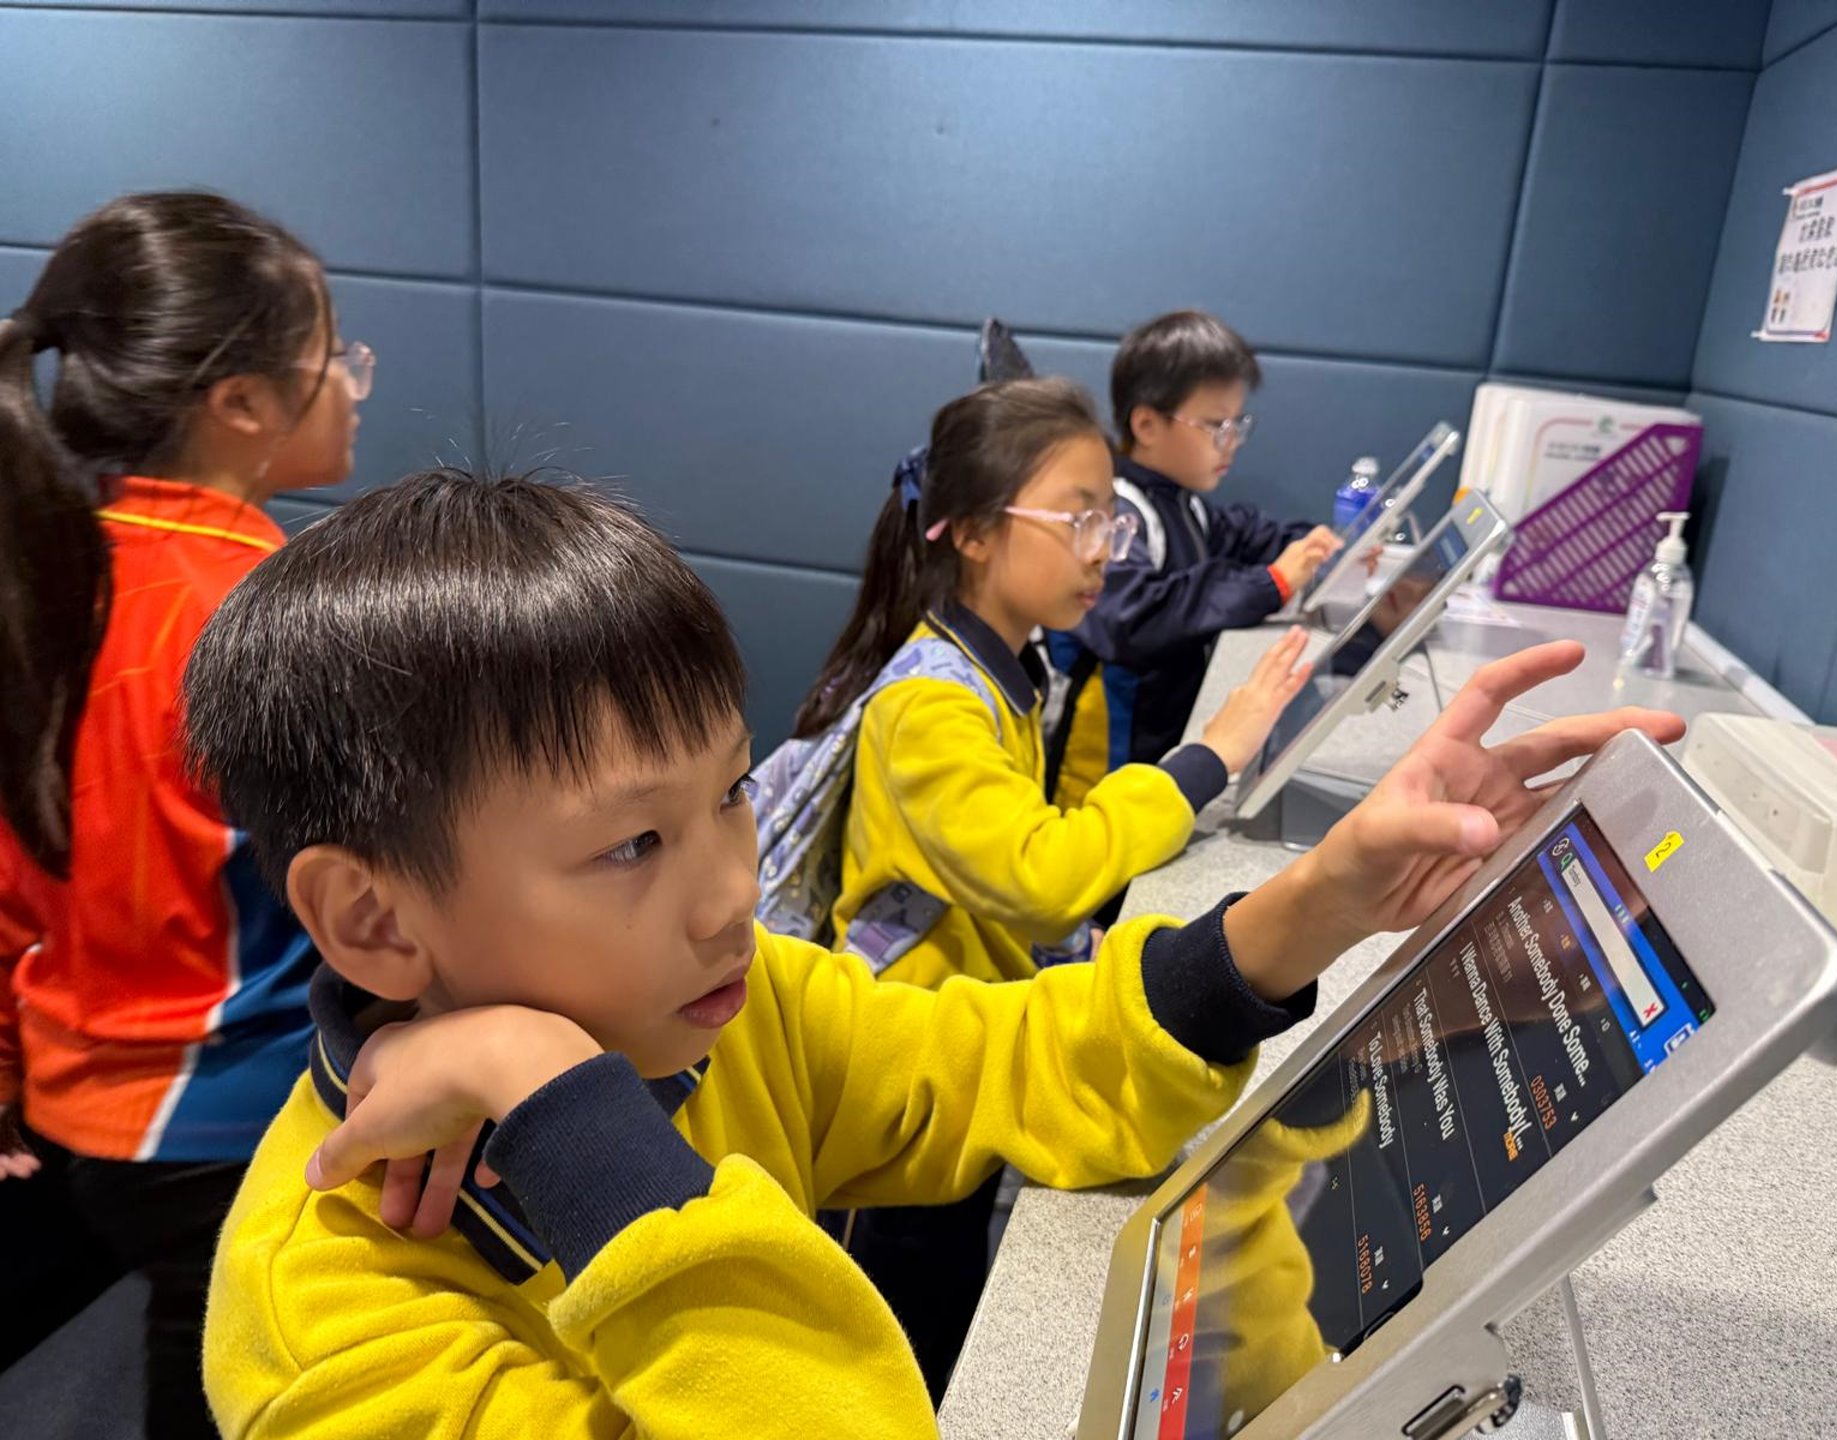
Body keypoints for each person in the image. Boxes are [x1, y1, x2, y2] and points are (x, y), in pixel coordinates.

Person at [182, 464, 1683, 1438]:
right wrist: (564, 1112)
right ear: (374, 920)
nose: (729, 895)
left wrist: (1324, 902)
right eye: (632, 846)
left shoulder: (729, 1007)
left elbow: (1001, 1058)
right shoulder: (329, 1322)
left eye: (728, 798)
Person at [789, 378, 1311, 1393]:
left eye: (1110, 519)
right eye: (1078, 519)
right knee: (904, 1324)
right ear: (975, 533)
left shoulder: (1004, 669)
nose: (1103, 550)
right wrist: (1203, 762)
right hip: (904, 1075)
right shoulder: (930, 706)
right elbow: (1038, 876)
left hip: (964, 1048)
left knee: (946, 1286)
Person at [0, 191, 366, 1438]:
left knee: (189, 1345)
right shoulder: (263, 616)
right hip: (225, 1111)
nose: (351, 385)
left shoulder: (50, 569)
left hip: (73, 1098)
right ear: (243, 404)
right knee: (241, 1382)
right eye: (335, 357)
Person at [1051, 310, 1344, 784]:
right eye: (1215, 426)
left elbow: (1248, 535)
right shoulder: (1119, 512)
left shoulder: (1183, 503)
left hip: (1161, 742)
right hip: (1108, 762)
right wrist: (1272, 582)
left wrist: (1321, 548)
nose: (1232, 443)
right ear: (1147, 425)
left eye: (1237, 424)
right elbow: (1134, 619)